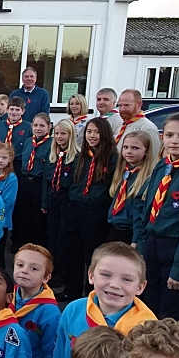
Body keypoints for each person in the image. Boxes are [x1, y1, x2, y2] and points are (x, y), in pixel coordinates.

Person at [49, 242, 156, 358]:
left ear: (141, 287)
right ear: (90, 275)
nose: (115, 285)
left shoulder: (148, 328)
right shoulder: (73, 311)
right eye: (106, 275)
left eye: (127, 279)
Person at [135, 112, 179, 321]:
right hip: (153, 245)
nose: (175, 140)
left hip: (178, 248)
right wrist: (140, 241)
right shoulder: (163, 166)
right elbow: (145, 204)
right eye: (170, 135)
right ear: (162, 137)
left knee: (173, 317)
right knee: (148, 310)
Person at [58, 118, 118, 302]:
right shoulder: (81, 156)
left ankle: (91, 292)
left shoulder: (112, 158)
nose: (92, 136)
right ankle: (71, 290)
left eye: (96, 132)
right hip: (75, 208)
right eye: (89, 132)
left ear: (105, 134)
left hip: (96, 211)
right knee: (71, 251)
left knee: (91, 254)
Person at [11, 244, 61, 358]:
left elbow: (52, 356)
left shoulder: (49, 313)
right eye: (20, 265)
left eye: (34, 268)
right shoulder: (8, 297)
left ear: (46, 277)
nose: (24, 271)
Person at [41, 119, 79, 289]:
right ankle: (52, 270)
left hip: (66, 200)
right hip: (53, 198)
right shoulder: (53, 154)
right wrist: (45, 201)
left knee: (64, 239)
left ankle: (62, 273)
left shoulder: (75, 157)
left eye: (63, 134)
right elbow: (45, 180)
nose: (59, 137)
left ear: (71, 136)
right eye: (57, 133)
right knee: (52, 236)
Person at [107, 131, 156, 244]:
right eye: (125, 147)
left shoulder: (146, 178)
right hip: (114, 226)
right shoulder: (123, 172)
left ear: (146, 151)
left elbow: (140, 214)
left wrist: (135, 241)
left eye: (135, 148)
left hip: (130, 231)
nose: (129, 151)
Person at [17, 112, 52, 247]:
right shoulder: (28, 141)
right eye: (36, 125)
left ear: (49, 127)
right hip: (25, 182)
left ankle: (37, 246)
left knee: (38, 219)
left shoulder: (51, 144)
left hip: (39, 183)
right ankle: (23, 244)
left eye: (42, 126)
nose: (38, 128)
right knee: (23, 215)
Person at [0, 143, 18, 268]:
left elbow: (8, 202)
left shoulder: (11, 178)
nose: (0, 161)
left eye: (4, 158)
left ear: (10, 159)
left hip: (1, 221)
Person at [114, 89, 160, 156]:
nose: (122, 109)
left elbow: (154, 156)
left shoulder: (147, 127)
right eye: (120, 105)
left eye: (127, 105)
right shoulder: (122, 125)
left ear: (139, 104)